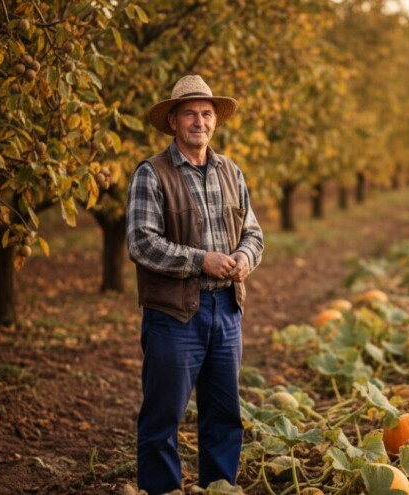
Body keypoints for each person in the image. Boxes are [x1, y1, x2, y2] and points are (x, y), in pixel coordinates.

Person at [126, 74, 263, 494]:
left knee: (224, 417)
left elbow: (254, 234)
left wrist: (243, 259)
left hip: (226, 312)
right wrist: (201, 261)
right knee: (163, 418)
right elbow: (141, 243)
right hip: (174, 316)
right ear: (173, 121)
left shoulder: (230, 172)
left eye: (206, 114)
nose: (199, 121)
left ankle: (219, 488)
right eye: (190, 113)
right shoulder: (153, 173)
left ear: (215, 122)